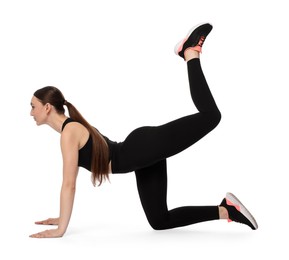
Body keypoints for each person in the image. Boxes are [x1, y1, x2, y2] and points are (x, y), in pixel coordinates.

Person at [29, 23, 258, 238]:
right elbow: (69, 184)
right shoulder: (71, 130)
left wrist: (61, 229)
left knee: (211, 116)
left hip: (142, 148)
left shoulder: (69, 132)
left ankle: (190, 53)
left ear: (47, 107)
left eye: (33, 106)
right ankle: (227, 210)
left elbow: (69, 184)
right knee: (159, 221)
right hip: (140, 156)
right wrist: (60, 218)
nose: (31, 112)